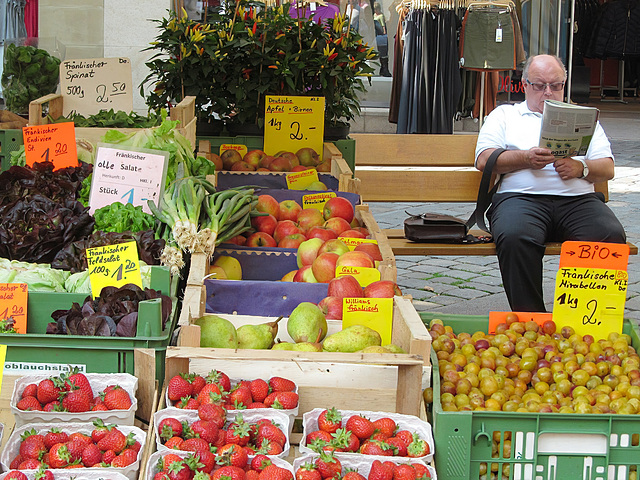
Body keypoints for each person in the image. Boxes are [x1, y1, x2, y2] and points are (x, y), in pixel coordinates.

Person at [474, 54, 627, 312]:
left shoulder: (583, 117)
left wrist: (581, 167)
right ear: (524, 85)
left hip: (578, 201)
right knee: (515, 236)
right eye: (539, 85)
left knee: (608, 234)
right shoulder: (505, 115)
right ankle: (532, 320)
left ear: (564, 85)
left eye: (556, 86)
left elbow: (607, 167)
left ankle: (584, 319)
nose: (548, 92)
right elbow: (483, 159)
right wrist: (525, 158)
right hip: (520, 199)